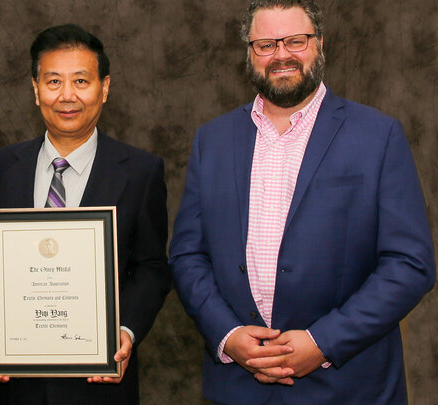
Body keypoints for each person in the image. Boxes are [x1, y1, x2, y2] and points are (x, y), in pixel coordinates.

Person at [169, 1, 435, 404]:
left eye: (296, 40)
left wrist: (323, 342)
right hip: (238, 387)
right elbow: (188, 254)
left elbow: (409, 264)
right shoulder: (213, 140)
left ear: (320, 44)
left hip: (349, 387)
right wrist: (228, 335)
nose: (281, 55)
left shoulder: (378, 136)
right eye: (266, 44)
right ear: (249, 52)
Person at [0, 24, 171, 405]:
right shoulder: (2, 166)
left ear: (104, 88)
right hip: (15, 383)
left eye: (81, 81)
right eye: (54, 81)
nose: (67, 95)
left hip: (101, 382)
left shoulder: (141, 171)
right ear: (35, 89)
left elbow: (152, 267)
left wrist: (124, 331)